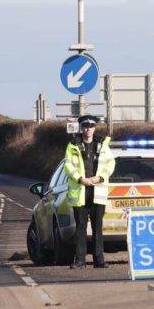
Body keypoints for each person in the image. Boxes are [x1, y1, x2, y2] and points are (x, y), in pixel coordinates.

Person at [63, 114, 115, 268]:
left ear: (94, 128)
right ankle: (80, 260)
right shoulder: (73, 145)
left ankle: (99, 260)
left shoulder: (102, 145)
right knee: (80, 227)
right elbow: (68, 166)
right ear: (81, 128)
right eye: (85, 126)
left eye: (91, 126)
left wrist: (100, 178)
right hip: (80, 191)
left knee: (97, 227)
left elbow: (110, 164)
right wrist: (80, 179)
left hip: (97, 190)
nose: (88, 129)